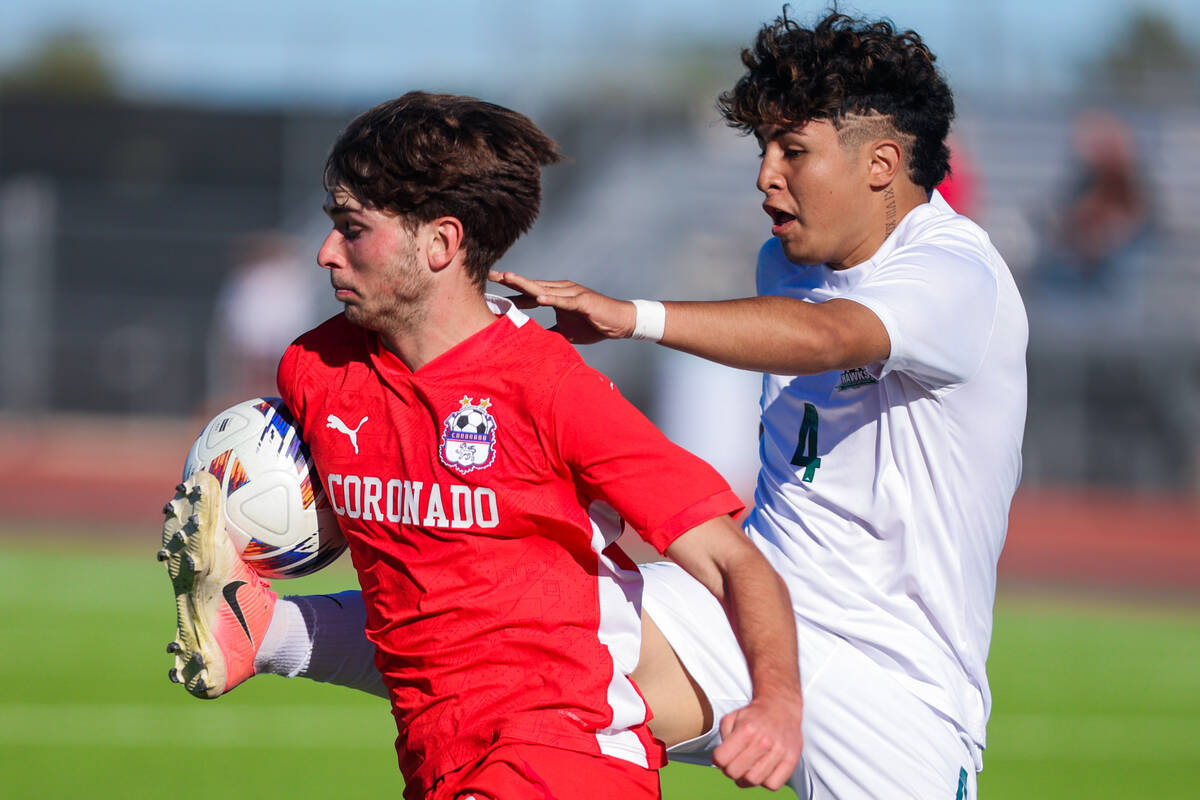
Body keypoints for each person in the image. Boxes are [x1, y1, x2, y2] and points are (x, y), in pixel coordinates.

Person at [166, 9, 1027, 798]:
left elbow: (833, 337)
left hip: (895, 671)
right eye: (763, 149)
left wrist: (631, 317)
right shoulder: (789, 262)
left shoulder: (958, 275)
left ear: (883, 164)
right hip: (753, 606)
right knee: (509, 628)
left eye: (792, 151)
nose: (766, 176)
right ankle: (264, 627)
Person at [161, 91, 803, 800]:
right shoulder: (316, 370)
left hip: (563, 759)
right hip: (437, 761)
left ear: (440, 243)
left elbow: (734, 560)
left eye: (353, 229)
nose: (326, 253)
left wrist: (776, 705)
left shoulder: (551, 390)